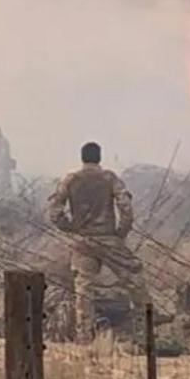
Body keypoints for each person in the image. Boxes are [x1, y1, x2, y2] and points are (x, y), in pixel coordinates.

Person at [47, 141, 146, 343]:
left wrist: (69, 227)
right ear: (99, 157)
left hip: (83, 240)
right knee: (134, 278)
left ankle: (85, 336)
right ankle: (146, 326)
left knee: (83, 288)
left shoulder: (71, 179)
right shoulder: (108, 178)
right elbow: (125, 206)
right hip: (108, 237)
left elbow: (54, 209)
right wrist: (121, 231)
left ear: (82, 157)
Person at [0, 126, 15, 195]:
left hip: (3, 166)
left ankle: (5, 194)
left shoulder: (2, 141)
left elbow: (2, 154)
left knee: (4, 181)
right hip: (1, 165)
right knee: (1, 181)